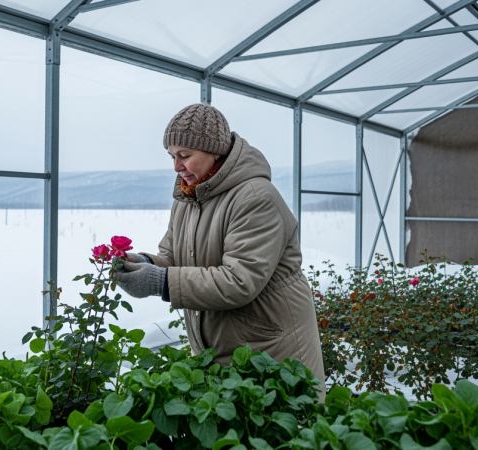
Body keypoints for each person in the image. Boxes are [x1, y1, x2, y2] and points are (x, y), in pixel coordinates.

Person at [114, 104, 325, 399]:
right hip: (224, 346)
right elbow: (173, 257)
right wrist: (144, 263)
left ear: (215, 151)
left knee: (282, 436)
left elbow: (240, 281)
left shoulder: (254, 198)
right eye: (172, 156)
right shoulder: (188, 197)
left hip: (271, 347)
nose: (176, 166)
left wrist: (159, 281)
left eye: (184, 156)